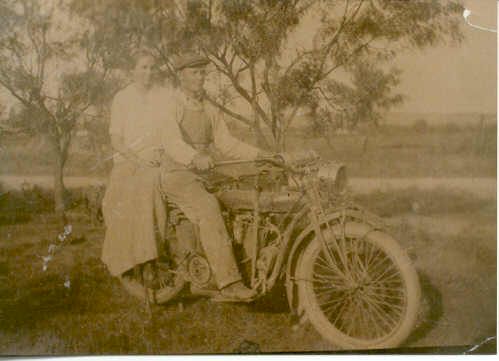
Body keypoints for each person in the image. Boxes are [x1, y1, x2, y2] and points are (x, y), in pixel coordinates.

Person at [159, 52, 267, 301]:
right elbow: (171, 141)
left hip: (206, 172)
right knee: (208, 208)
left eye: (202, 73)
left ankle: (251, 265)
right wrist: (194, 158)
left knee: (247, 194)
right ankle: (229, 283)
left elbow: (227, 143)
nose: (200, 78)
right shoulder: (172, 104)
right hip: (178, 173)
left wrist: (261, 154)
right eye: (194, 73)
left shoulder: (206, 105)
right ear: (181, 76)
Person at [101, 51, 170, 287]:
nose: (148, 73)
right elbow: (116, 140)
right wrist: (138, 159)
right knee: (114, 201)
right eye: (143, 67)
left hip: (157, 159)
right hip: (128, 160)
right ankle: (125, 259)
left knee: (148, 190)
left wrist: (159, 154)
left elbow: (169, 132)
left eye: (152, 68)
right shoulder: (122, 98)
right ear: (133, 70)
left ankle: (149, 257)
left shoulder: (163, 96)